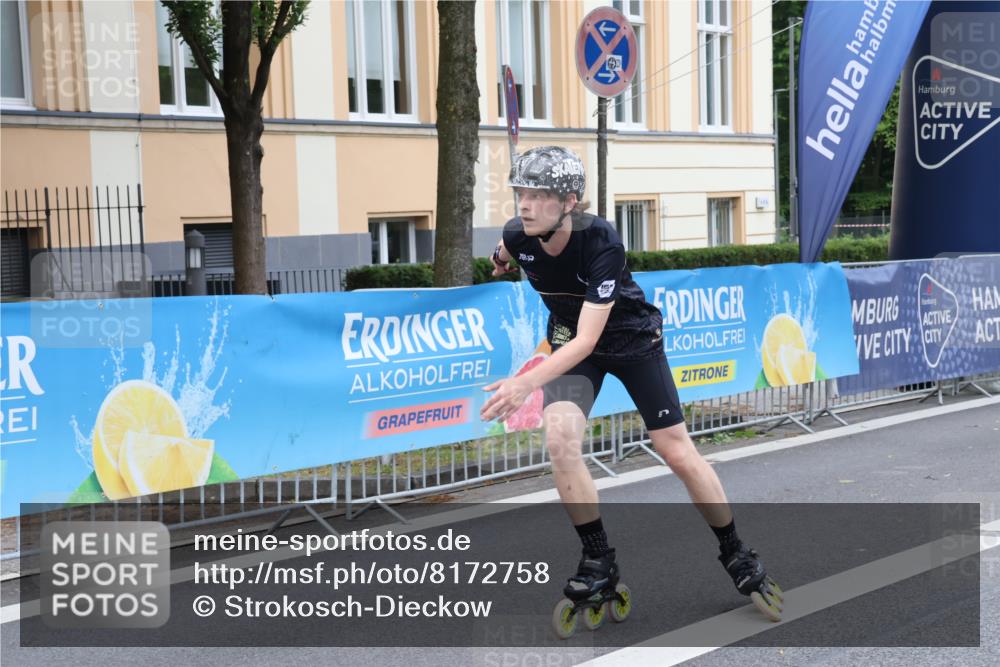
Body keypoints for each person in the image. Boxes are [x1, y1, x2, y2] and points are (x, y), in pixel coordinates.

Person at [479, 146, 782, 631]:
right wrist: (498, 261)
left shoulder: (601, 241)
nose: (526, 204)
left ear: (569, 202)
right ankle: (598, 559)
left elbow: (590, 339)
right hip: (573, 345)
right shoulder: (520, 234)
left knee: (675, 450)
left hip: (629, 341)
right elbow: (506, 249)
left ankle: (735, 552)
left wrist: (525, 382)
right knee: (560, 440)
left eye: (538, 195)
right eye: (521, 193)